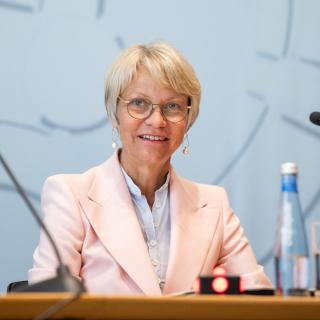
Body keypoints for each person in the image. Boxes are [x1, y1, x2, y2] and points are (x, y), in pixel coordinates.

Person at [28, 41, 272, 295]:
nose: (157, 121)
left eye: (173, 106)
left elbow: (258, 299)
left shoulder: (213, 204)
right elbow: (50, 302)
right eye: (139, 103)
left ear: (188, 120)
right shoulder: (71, 195)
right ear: (115, 113)